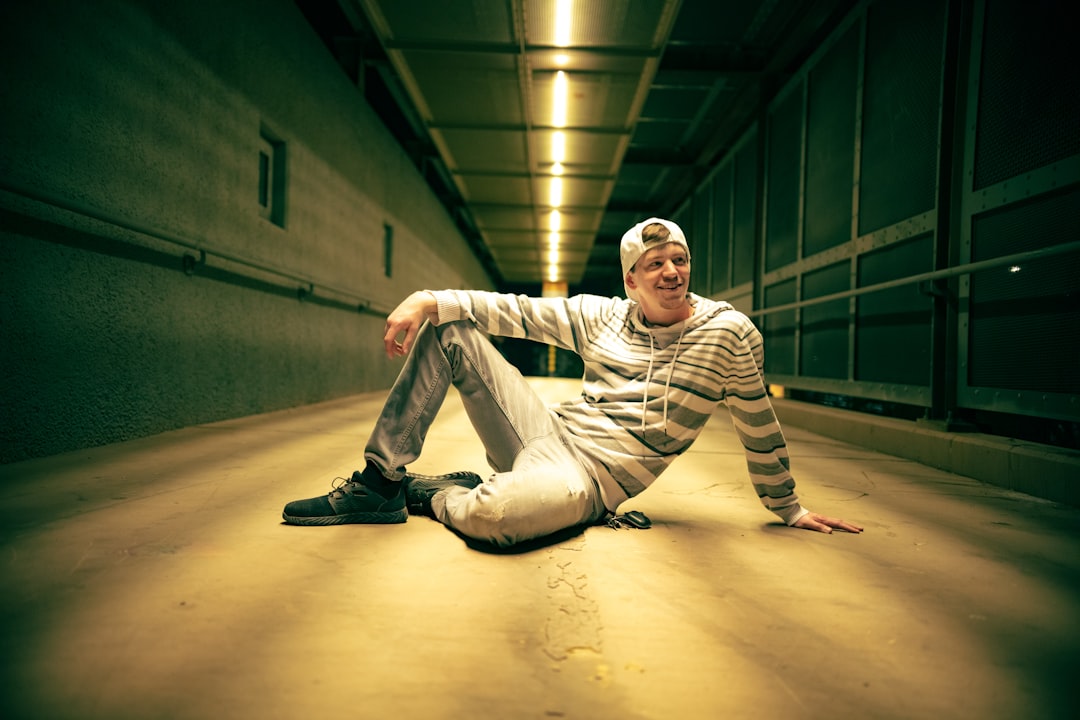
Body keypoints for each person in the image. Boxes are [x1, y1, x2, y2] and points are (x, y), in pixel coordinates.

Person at [283, 217, 863, 546]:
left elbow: (757, 420)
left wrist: (786, 506)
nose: (671, 271)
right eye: (655, 263)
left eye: (680, 259)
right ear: (632, 281)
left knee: (495, 520)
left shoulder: (729, 335)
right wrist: (429, 298)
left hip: (589, 478)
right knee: (449, 329)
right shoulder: (603, 315)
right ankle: (380, 482)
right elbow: (516, 310)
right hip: (541, 435)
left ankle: (437, 494)